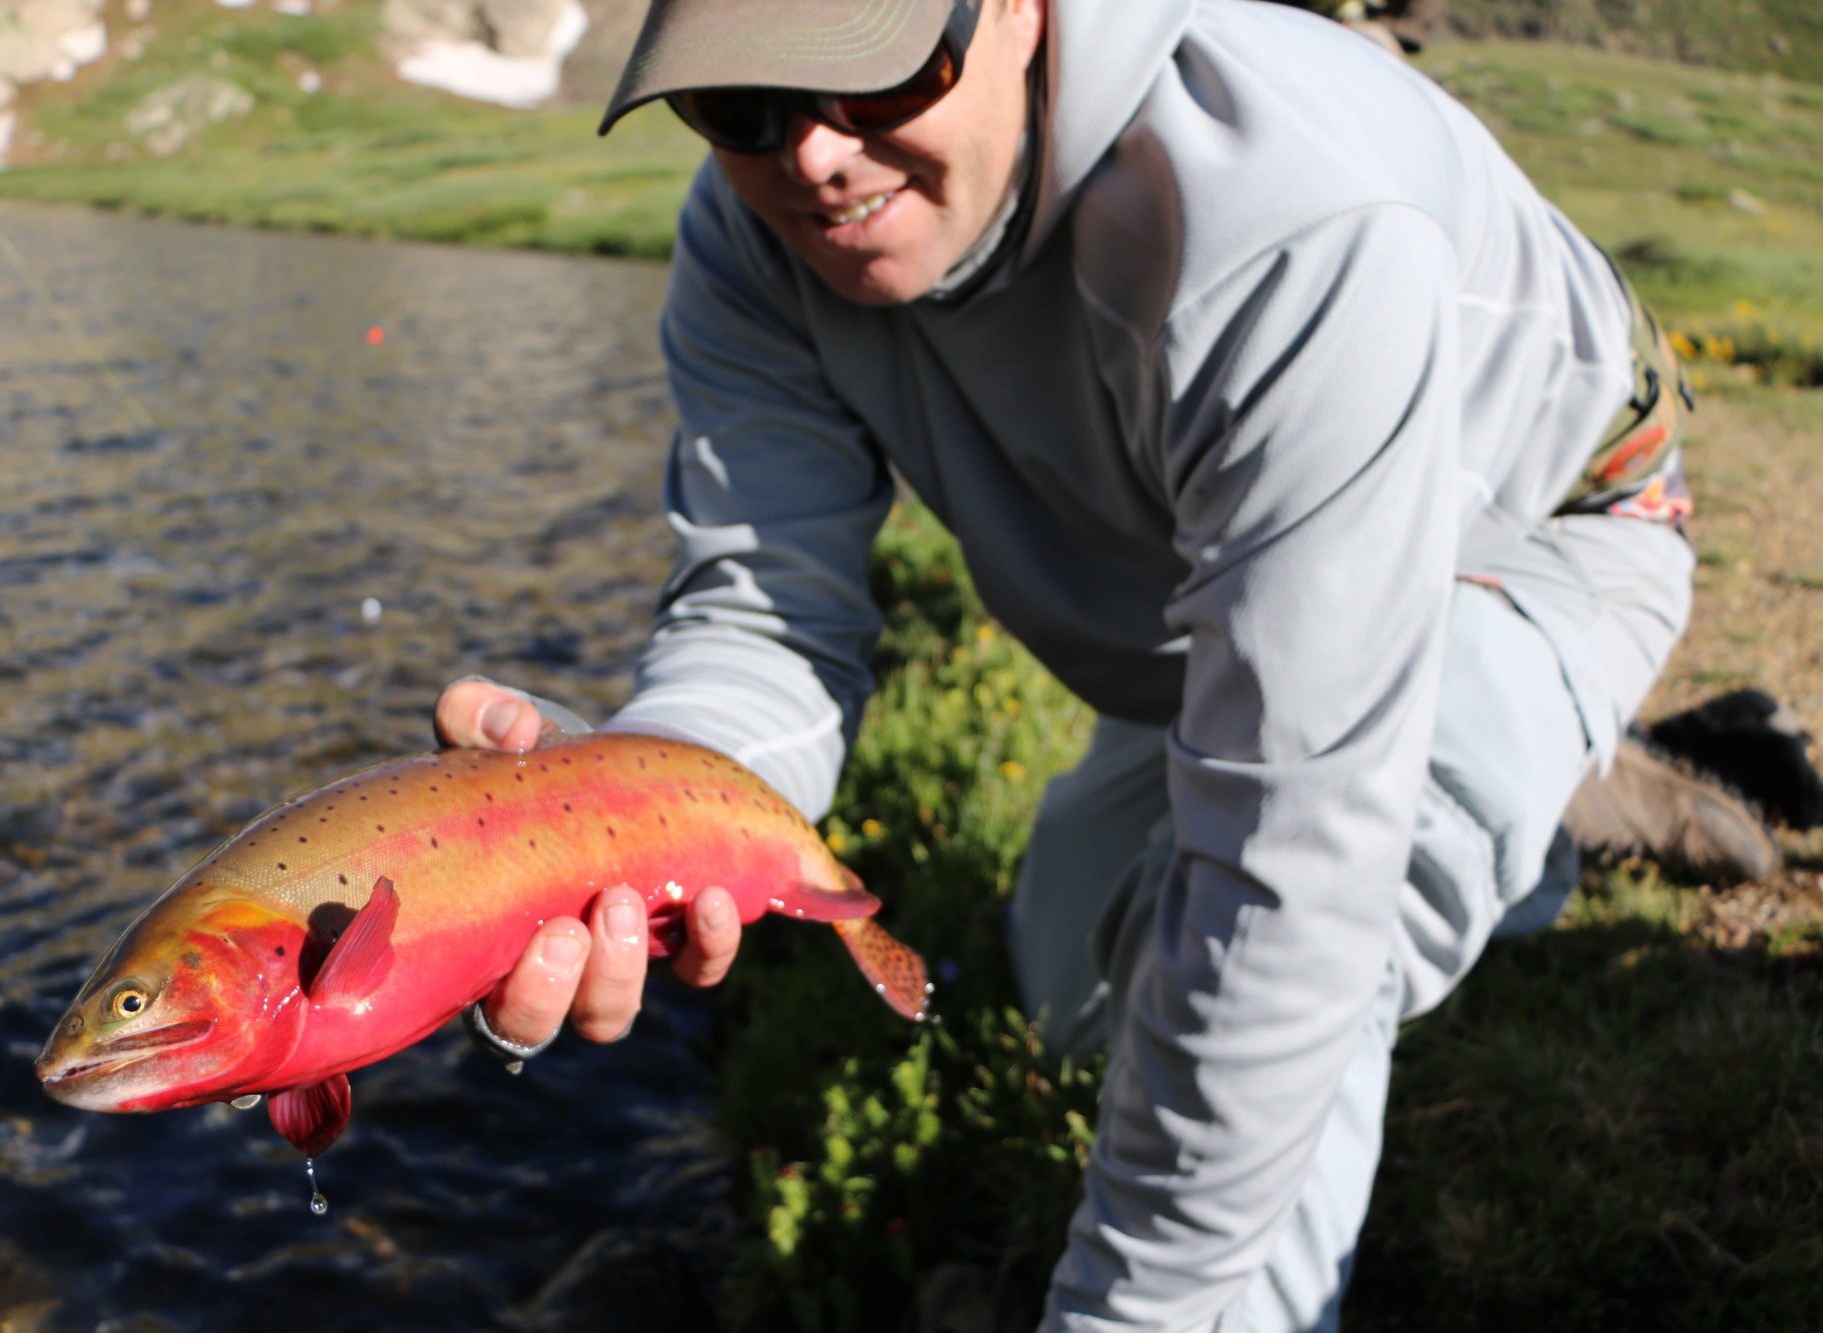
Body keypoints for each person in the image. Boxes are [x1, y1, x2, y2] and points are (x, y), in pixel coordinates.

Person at [431, 0, 1777, 1326]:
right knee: (1081, 990)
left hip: (1531, 532)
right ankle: (1530, 797)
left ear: (1017, 10)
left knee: (1286, 947)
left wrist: (1128, 1310)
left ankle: (1512, 732)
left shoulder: (1293, 213)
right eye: (740, 107)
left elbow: (1284, 889)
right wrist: (623, 813)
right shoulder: (748, 240)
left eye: (875, 74)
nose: (814, 157)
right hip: (1222, 614)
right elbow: (767, 616)